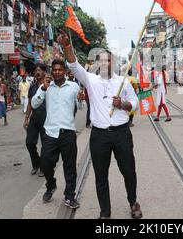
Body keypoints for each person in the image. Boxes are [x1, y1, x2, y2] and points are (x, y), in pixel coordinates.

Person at [61, 32, 142, 220]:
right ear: (98, 63)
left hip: (121, 133)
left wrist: (123, 104)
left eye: (108, 60)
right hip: (99, 136)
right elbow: (74, 65)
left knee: (129, 170)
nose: (105, 64)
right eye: (102, 61)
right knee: (100, 176)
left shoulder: (123, 82)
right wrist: (67, 47)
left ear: (113, 62)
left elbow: (135, 103)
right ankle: (105, 212)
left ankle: (133, 202)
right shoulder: (90, 80)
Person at [32, 59, 81, 208]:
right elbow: (34, 104)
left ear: (65, 71)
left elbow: (81, 106)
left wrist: (82, 100)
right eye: (55, 70)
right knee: (46, 163)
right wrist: (43, 89)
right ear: (51, 72)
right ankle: (51, 184)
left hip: (68, 132)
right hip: (51, 133)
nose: (57, 72)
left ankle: (69, 196)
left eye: (60, 69)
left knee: (70, 166)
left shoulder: (73, 87)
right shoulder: (46, 87)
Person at [24, 64, 47, 177]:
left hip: (46, 117)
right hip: (34, 117)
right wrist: (26, 118)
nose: (37, 72)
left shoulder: (49, 86)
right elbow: (29, 104)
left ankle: (43, 167)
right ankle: (36, 163)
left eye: (39, 70)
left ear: (44, 72)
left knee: (45, 144)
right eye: (36, 70)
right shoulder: (32, 87)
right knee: (29, 142)